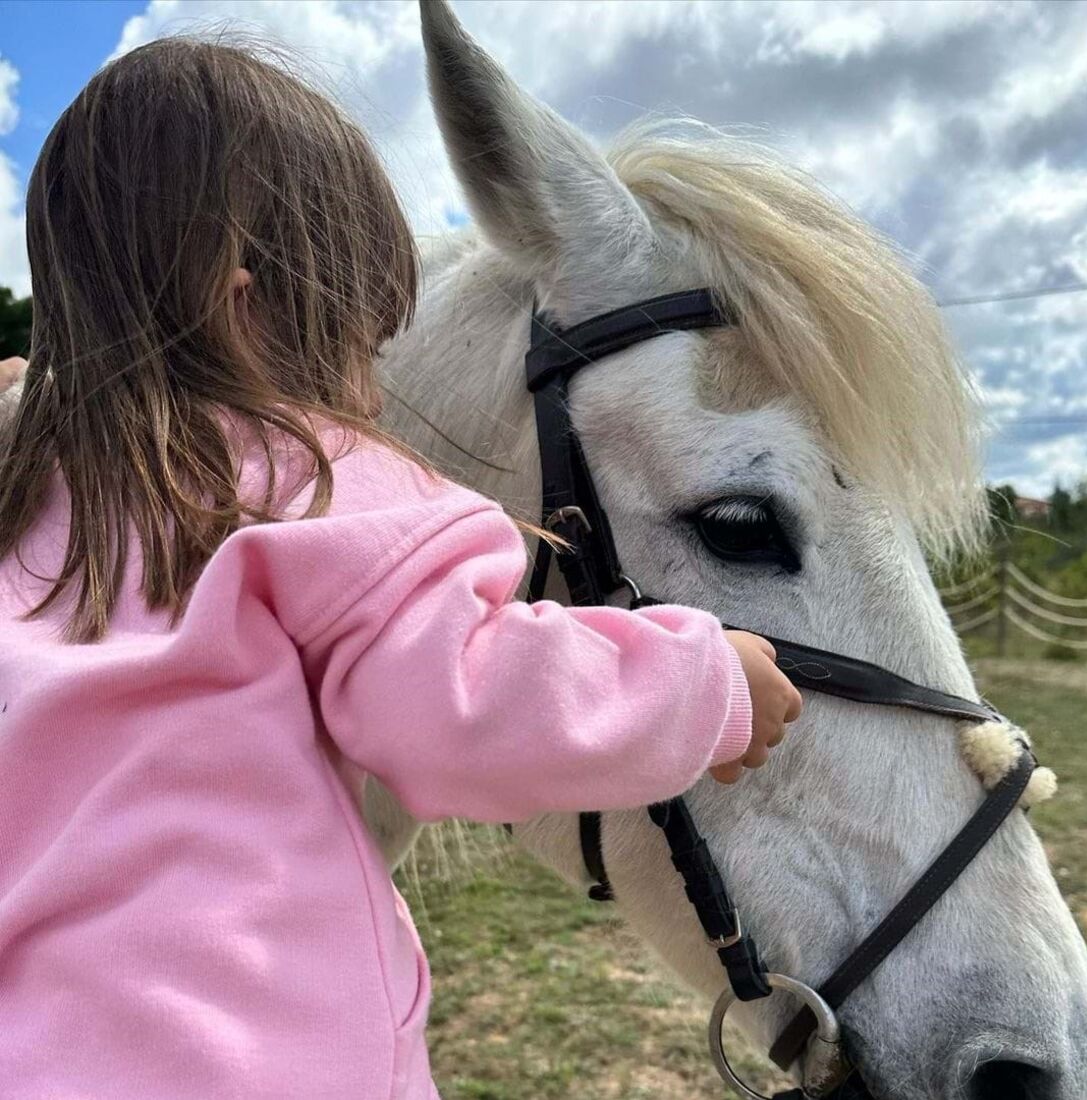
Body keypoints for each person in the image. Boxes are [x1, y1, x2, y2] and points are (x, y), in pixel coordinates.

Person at [0, 38, 801, 1100]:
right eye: (360, 343)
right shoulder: (311, 479)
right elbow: (468, 698)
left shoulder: (31, 510)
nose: (372, 397)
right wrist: (705, 682)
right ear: (243, 308)